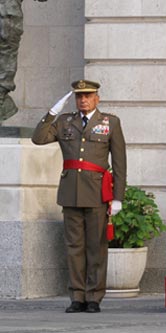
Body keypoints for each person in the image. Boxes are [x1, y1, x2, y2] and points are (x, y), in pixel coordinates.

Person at [32, 80, 127, 313]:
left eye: (88, 95)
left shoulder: (110, 122)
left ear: (97, 98)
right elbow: (39, 138)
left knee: (96, 246)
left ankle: (94, 297)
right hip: (71, 193)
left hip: (96, 193)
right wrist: (51, 113)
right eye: (79, 96)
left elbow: (119, 163)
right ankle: (77, 296)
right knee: (74, 247)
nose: (83, 100)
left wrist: (118, 197)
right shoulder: (65, 121)